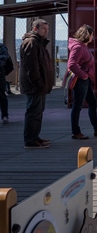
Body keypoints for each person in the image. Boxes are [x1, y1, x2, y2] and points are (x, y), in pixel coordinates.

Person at [19, 19, 55, 148]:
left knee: (38, 112)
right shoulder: (31, 43)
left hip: (39, 86)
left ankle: (35, 137)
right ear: (35, 29)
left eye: (47, 28)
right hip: (34, 86)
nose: (47, 31)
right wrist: (39, 83)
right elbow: (31, 67)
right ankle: (30, 140)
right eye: (44, 29)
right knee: (33, 112)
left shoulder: (39, 43)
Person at [68, 25, 97, 140]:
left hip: (85, 80)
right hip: (81, 81)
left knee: (93, 102)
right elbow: (71, 64)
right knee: (78, 105)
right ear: (87, 35)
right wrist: (84, 75)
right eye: (92, 35)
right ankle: (76, 132)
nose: (93, 37)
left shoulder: (83, 46)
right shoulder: (79, 47)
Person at [0, 42, 10, 124]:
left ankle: (4, 115)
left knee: (1, 95)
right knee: (2, 96)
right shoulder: (2, 47)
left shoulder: (2, 47)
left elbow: (2, 60)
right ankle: (4, 115)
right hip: (0, 74)